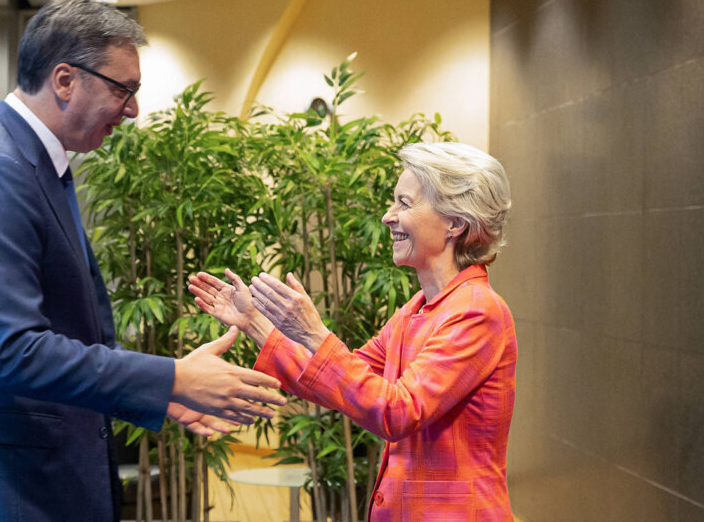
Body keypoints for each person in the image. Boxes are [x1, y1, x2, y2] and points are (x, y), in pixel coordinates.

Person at [0, 0, 285, 522]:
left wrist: (157, 396)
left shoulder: (32, 161)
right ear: (65, 80)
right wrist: (171, 378)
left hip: (23, 472)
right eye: (125, 89)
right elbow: (15, 351)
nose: (134, 109)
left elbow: (68, 333)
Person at [189, 142, 516, 521]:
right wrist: (255, 323)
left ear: (455, 222)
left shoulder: (477, 309)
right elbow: (337, 384)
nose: (387, 217)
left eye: (404, 203)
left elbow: (397, 412)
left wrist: (315, 333)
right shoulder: (416, 309)